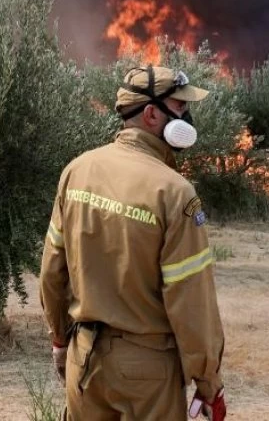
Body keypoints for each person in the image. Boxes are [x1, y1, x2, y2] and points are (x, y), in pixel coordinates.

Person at [39, 65, 227, 420]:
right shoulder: (175, 193)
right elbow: (191, 302)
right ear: (152, 114)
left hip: (84, 361)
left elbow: (52, 273)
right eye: (180, 107)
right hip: (148, 373)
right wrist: (208, 383)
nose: (187, 116)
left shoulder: (76, 171)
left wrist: (60, 340)